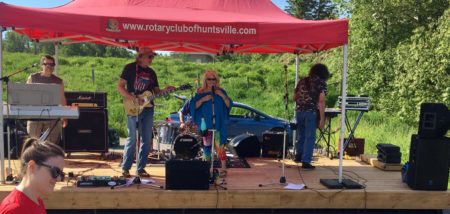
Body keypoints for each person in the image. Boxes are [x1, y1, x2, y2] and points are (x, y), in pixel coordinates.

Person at [117, 47, 175, 178]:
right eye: (149, 57)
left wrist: (166, 90)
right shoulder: (130, 68)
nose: (151, 59)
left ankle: (141, 168)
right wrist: (133, 98)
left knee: (147, 138)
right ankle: (125, 168)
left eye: (152, 57)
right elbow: (120, 86)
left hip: (148, 108)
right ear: (140, 56)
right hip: (133, 106)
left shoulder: (152, 72)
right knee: (132, 138)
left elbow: (156, 92)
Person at [0, 138, 65, 214]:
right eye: (55, 171)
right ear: (32, 166)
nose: (59, 178)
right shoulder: (14, 210)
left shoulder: (36, 200)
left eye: (61, 174)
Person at [190, 70, 232, 175]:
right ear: (205, 80)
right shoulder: (200, 92)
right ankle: (206, 168)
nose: (211, 81)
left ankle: (223, 168)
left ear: (216, 80)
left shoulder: (221, 91)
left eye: (214, 79)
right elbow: (193, 106)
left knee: (220, 145)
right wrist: (203, 99)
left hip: (218, 124)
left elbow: (229, 105)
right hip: (206, 124)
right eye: (209, 79)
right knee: (207, 146)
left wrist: (222, 96)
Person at [292, 63, 330, 170]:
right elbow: (321, 101)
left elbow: (294, 97)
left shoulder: (302, 81)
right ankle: (306, 161)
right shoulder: (321, 83)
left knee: (301, 135)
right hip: (311, 112)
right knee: (310, 137)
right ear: (324, 73)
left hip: (299, 112)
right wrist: (322, 118)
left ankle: (299, 156)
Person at [26, 55, 67, 144]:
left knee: (50, 143)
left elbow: (62, 98)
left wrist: (64, 115)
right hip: (35, 115)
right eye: (47, 64)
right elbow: (26, 96)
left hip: (52, 116)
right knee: (34, 142)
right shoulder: (32, 78)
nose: (49, 66)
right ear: (42, 65)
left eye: (52, 64)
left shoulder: (59, 81)